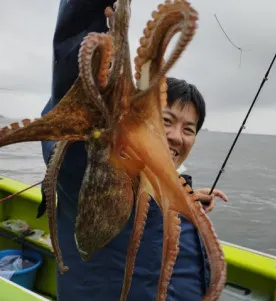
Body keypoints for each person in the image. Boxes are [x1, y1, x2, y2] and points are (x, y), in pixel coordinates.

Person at [38, 1, 228, 300]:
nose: (177, 136)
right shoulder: (88, 165)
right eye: (166, 120)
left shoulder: (167, 193)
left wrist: (188, 199)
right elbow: (75, 71)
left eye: (189, 129)